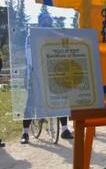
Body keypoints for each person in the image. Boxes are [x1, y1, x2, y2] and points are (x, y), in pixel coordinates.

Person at [21, 11, 73, 144]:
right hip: (36, 73)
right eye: (45, 21)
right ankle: (25, 132)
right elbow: (29, 55)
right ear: (40, 22)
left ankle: (65, 129)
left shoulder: (56, 36)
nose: (47, 23)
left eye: (49, 21)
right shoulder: (31, 36)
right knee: (31, 101)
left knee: (61, 98)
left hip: (52, 72)